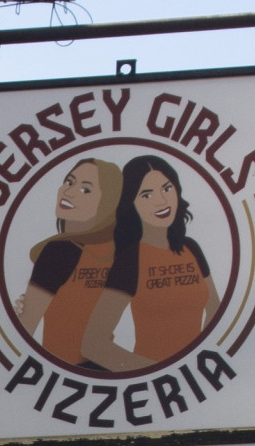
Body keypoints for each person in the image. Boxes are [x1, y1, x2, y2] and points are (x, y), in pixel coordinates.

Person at [78, 155, 218, 374]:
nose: (161, 200)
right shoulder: (131, 259)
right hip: (157, 383)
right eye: (146, 194)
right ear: (131, 202)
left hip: (197, 375)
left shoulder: (191, 248)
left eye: (166, 188)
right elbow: (93, 344)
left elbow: (214, 309)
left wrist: (198, 360)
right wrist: (157, 371)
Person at [16, 158, 124, 366]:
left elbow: (23, 331)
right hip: (104, 370)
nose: (68, 192)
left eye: (85, 190)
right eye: (69, 182)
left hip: (66, 374)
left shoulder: (58, 252)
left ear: (107, 202)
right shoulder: (119, 249)